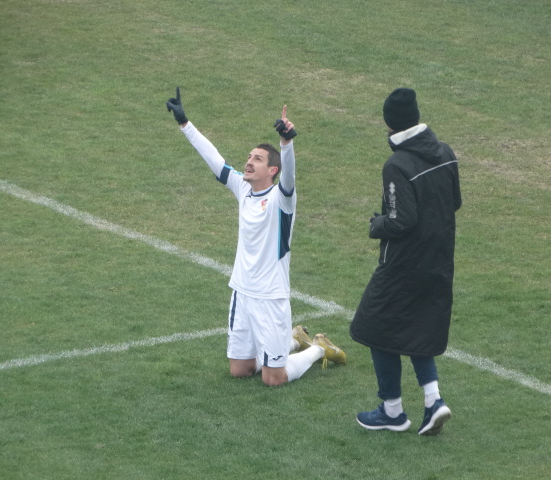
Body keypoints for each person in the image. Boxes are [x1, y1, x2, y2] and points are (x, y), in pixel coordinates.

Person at [166, 87, 346, 387]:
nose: (249, 162)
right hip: (242, 292)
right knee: (240, 371)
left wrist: (286, 143)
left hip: (271, 297)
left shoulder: (282, 199)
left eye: (258, 159)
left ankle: (318, 348)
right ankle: (293, 339)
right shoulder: (244, 189)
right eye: (249, 156)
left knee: (273, 378)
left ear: (272, 169)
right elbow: (215, 160)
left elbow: (290, 175)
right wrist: (185, 124)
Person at [350, 88, 462, 435]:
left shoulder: (397, 164)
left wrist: (377, 225)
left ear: (389, 122)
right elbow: (454, 202)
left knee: (373, 326)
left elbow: (402, 220)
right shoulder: (445, 152)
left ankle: (392, 411)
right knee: (417, 328)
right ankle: (434, 400)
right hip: (439, 260)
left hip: (403, 265)